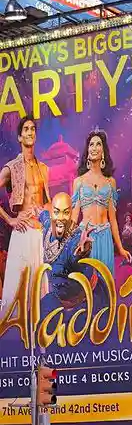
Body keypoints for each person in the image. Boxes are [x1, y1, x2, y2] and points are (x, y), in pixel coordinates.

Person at [0, 116, 50, 314]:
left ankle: (38, 329)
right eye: (26, 129)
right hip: (22, 233)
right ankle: (14, 330)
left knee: (39, 290)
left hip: (39, 234)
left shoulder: (43, 169)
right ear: (20, 137)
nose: (30, 132)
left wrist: (48, 218)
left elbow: (47, 202)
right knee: (18, 290)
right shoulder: (12, 167)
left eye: (32, 129)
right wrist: (10, 220)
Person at [70, 129, 131, 285]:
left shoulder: (110, 182)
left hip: (105, 238)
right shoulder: (79, 182)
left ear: (103, 151)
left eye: (98, 144)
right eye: (91, 144)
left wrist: (120, 248)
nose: (94, 147)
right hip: (85, 238)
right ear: (87, 151)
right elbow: (74, 218)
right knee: (87, 286)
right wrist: (69, 243)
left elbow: (113, 220)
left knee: (105, 285)